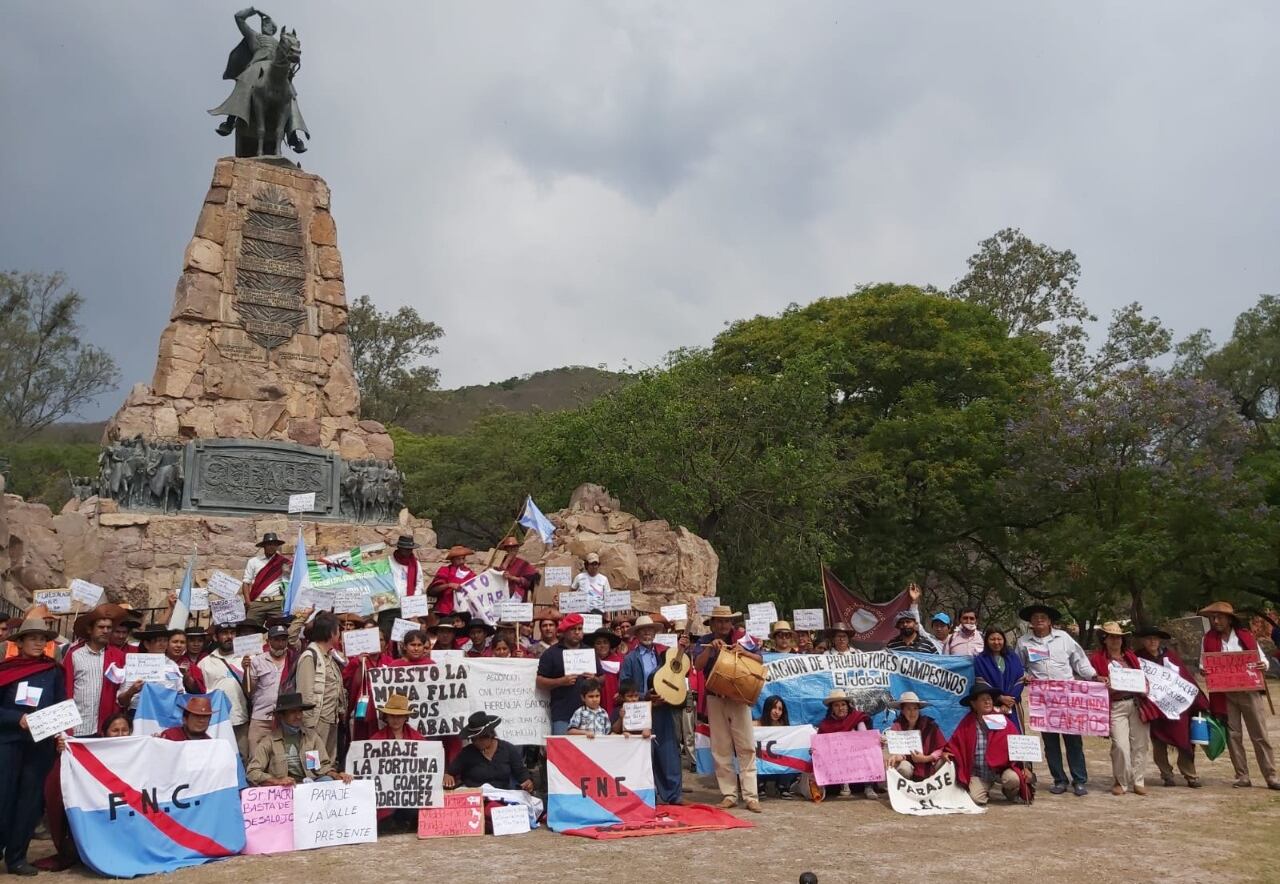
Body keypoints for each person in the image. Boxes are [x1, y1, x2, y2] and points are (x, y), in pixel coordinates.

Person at [0, 615, 65, 877]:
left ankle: (17, 857)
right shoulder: (5, 670)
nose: (38, 643)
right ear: (21, 642)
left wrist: (61, 732)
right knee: (3, 797)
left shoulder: (54, 671)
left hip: (40, 747)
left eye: (43, 639)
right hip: (8, 743)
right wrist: (18, 719)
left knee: (29, 801)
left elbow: (61, 705)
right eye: (33, 638)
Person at [1015, 602, 1098, 796]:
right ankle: (1059, 779)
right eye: (1035, 618)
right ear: (1031, 622)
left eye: (1043, 617)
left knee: (1073, 741)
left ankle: (1079, 780)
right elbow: (1019, 666)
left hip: (1068, 698)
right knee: (1050, 742)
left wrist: (1093, 676)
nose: (1039, 620)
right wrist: (1026, 675)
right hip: (1043, 699)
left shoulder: (1064, 639)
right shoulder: (1023, 642)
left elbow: (1080, 661)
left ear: (1050, 620)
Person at [1199, 601, 1278, 789]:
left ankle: (1271, 776)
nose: (1215, 621)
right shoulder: (1207, 639)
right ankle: (1242, 775)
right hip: (1225, 694)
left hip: (1249, 691)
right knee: (1233, 735)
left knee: (1259, 734)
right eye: (1213, 618)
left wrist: (1262, 666)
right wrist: (1205, 670)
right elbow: (1204, 663)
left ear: (1229, 619)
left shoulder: (1245, 636)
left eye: (1219, 617)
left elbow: (1263, 660)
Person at [692, 605, 762, 813]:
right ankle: (729, 794)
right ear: (712, 624)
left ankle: (751, 796)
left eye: (726, 621)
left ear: (731, 622)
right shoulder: (704, 640)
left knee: (746, 746)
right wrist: (709, 649)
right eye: (719, 621)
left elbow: (760, 659)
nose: (723, 625)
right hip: (715, 698)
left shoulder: (743, 638)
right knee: (721, 748)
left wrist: (744, 653)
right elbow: (697, 666)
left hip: (739, 698)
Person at [1087, 622, 1159, 796]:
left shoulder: (1131, 658)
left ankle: (1139, 780)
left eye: (1118, 637)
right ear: (1104, 639)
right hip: (1115, 705)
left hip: (1136, 703)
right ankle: (1121, 781)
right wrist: (1101, 683)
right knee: (1120, 745)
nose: (1115, 640)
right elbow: (1089, 682)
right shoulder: (1096, 660)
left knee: (1140, 744)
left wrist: (1145, 687)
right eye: (1111, 637)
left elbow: (1143, 678)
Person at [620, 616, 685, 805]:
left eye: (650, 630)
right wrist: (643, 696)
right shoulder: (630, 659)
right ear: (637, 634)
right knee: (642, 753)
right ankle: (647, 794)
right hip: (640, 710)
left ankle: (673, 794)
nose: (647, 633)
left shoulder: (664, 655)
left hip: (663, 708)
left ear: (655, 633)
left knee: (668, 751)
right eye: (643, 630)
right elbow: (624, 686)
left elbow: (676, 673)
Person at [1134, 624, 1206, 788]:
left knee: (1184, 740)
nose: (1152, 641)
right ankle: (1166, 774)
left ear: (1159, 640)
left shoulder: (1170, 656)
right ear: (1143, 641)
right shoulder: (1137, 659)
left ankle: (1190, 775)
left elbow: (1185, 679)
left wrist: (1199, 700)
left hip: (1176, 707)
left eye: (1155, 638)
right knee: (1158, 742)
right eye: (1148, 639)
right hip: (1154, 707)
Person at [942, 680, 1030, 806]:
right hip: (978, 773)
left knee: (1013, 780)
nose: (988, 702)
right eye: (983, 699)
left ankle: (1009, 790)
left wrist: (1025, 767)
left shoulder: (1002, 720)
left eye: (989, 699)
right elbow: (955, 744)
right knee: (976, 799)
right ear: (973, 704)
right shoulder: (967, 724)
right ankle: (984, 789)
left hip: (1000, 771)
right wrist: (946, 753)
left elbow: (1018, 743)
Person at [246, 693, 352, 786]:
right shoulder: (269, 741)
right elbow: (252, 772)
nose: (298, 716)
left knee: (328, 781)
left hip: (310, 784)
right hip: (285, 789)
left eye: (300, 712)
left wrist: (336, 775)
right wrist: (276, 781)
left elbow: (324, 766)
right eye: (293, 712)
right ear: (282, 715)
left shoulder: (312, 736)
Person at [62, 605, 126, 736]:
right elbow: (66, 689)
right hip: (78, 725)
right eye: (101, 627)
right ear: (90, 630)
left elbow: (121, 691)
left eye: (109, 628)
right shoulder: (74, 654)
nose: (105, 631)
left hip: (106, 726)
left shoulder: (118, 656)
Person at [536, 613, 602, 735]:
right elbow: (539, 681)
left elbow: (603, 678)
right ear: (565, 631)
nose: (577, 632)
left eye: (580, 629)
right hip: (563, 714)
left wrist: (595, 679)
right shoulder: (551, 653)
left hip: (589, 714)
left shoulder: (590, 652)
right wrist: (560, 681)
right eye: (573, 629)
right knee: (563, 750)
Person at [368, 692, 423, 831]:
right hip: (386, 791)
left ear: (406, 717)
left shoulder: (417, 738)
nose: (396, 720)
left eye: (399, 716)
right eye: (392, 716)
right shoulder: (376, 739)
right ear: (386, 717)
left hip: (409, 790)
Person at [296, 611, 345, 765]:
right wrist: (309, 725)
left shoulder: (330, 656)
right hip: (316, 720)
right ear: (331, 632)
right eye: (338, 630)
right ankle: (313, 785)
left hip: (331, 718)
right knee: (314, 761)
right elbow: (304, 693)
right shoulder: (310, 656)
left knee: (328, 761)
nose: (340, 634)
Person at [198, 620, 252, 756]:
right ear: (216, 637)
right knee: (218, 757)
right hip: (216, 722)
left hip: (241, 719)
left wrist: (247, 669)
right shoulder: (205, 663)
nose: (229, 636)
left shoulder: (248, 658)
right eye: (224, 633)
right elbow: (201, 693)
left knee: (243, 757)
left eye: (232, 633)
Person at [444, 712, 534, 791]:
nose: (477, 742)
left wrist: (527, 782)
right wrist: (448, 777)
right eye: (473, 739)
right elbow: (451, 772)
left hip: (502, 795)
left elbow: (521, 773)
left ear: (490, 735)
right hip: (475, 797)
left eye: (482, 738)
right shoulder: (467, 753)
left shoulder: (508, 749)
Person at [816, 688, 874, 799]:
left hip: (858, 758)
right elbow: (820, 745)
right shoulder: (826, 725)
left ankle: (868, 786)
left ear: (848, 706)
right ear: (832, 708)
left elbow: (868, 738)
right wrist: (814, 750)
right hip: (838, 762)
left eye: (843, 704)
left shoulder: (858, 718)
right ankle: (844, 784)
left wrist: (876, 741)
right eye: (836, 705)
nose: (840, 708)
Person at [246, 623, 293, 756]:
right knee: (256, 757)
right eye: (276, 640)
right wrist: (246, 671)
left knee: (281, 759)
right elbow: (249, 690)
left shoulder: (293, 659)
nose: (280, 643)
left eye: (283, 640)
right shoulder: (257, 660)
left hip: (284, 718)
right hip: (261, 718)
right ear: (269, 641)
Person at [973, 627, 1025, 728]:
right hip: (991, 705)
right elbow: (981, 684)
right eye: (992, 639)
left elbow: (1020, 680)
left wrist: (1009, 701)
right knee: (995, 736)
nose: (996, 642)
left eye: (999, 639)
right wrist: (1000, 698)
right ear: (986, 641)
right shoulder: (980, 660)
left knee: (1014, 736)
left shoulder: (1013, 657)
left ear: (1004, 640)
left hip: (1012, 705)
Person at [886, 691, 945, 781]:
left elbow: (941, 748)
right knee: (904, 768)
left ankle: (940, 793)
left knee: (944, 762)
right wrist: (897, 756)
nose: (912, 712)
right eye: (908, 709)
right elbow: (897, 751)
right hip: (909, 765)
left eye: (915, 708)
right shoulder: (896, 727)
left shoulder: (930, 726)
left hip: (929, 763)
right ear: (902, 710)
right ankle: (903, 794)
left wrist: (926, 758)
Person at [754, 696, 798, 800]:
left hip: (779, 767)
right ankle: (760, 787)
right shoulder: (755, 726)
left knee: (792, 759)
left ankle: (783, 787)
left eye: (780, 709)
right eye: (774, 708)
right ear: (767, 708)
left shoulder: (786, 729)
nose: (777, 712)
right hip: (761, 766)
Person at [242, 532, 291, 625]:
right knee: (250, 629)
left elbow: (291, 580)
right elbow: (246, 582)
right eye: (268, 544)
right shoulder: (253, 562)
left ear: (277, 546)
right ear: (264, 546)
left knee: (279, 631)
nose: (271, 547)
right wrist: (248, 603)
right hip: (257, 603)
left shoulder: (284, 562)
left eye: (274, 544)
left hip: (276, 603)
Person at [428, 545, 475, 616]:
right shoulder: (444, 571)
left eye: (463, 559)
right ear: (452, 560)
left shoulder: (470, 574)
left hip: (464, 612)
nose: (462, 562)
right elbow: (432, 591)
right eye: (458, 559)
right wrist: (449, 585)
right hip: (444, 609)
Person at [590, 627, 624, 716]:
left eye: (605, 642)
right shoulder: (588, 661)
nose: (602, 646)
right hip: (594, 701)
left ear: (610, 645)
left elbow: (624, 680)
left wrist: (621, 693)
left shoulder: (619, 661)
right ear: (593, 645)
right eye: (598, 643)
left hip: (614, 701)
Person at [496, 536, 540, 602]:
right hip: (500, 598)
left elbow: (527, 583)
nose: (512, 550)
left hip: (518, 600)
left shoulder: (523, 564)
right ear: (506, 549)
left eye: (514, 547)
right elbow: (495, 577)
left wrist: (512, 577)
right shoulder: (498, 562)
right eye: (509, 548)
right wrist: (506, 562)